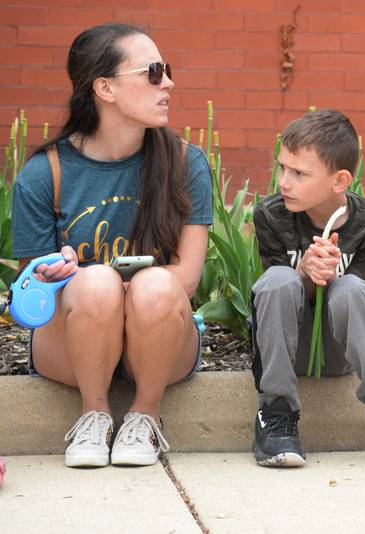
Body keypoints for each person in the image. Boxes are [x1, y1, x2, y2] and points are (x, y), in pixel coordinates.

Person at [11, 23, 212, 468]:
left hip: (159, 340)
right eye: (153, 72)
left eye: (168, 70)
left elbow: (187, 278)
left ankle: (145, 413)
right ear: (105, 88)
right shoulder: (46, 173)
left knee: (155, 286)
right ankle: (93, 413)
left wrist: (126, 296)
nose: (169, 83)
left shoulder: (185, 163)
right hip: (73, 341)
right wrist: (57, 277)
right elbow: (34, 294)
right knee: (96, 281)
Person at [250, 109, 365, 468]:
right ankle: (275, 413)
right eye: (282, 168)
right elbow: (279, 294)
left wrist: (329, 276)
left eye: (299, 173)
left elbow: (355, 298)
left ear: (339, 180)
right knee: (278, 279)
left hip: (340, 350)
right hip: (283, 350)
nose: (284, 182)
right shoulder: (270, 215)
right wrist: (304, 271)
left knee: (350, 287)